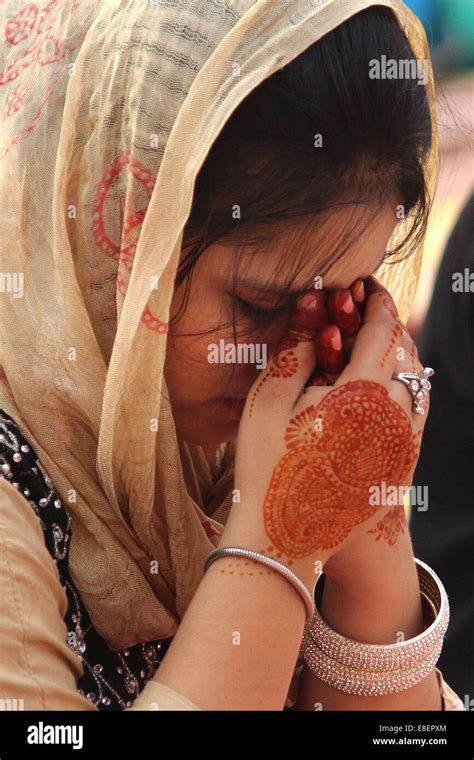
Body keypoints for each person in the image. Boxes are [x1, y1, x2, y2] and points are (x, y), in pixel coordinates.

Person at [0, 0, 465, 711]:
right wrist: (279, 538)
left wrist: (370, 563)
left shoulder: (217, 445)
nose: (303, 359)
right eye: (258, 305)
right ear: (124, 241)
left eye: (347, 305)